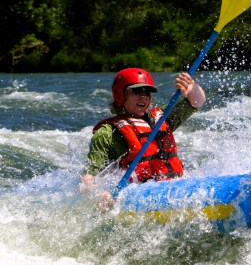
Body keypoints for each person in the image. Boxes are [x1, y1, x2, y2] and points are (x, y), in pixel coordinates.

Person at [80, 67, 206, 208]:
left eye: (147, 92)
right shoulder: (107, 133)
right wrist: (99, 195)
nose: (143, 96)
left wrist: (192, 88)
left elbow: (197, 102)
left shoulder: (162, 117)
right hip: (137, 194)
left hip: (174, 184)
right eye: (137, 91)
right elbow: (87, 178)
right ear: (121, 95)